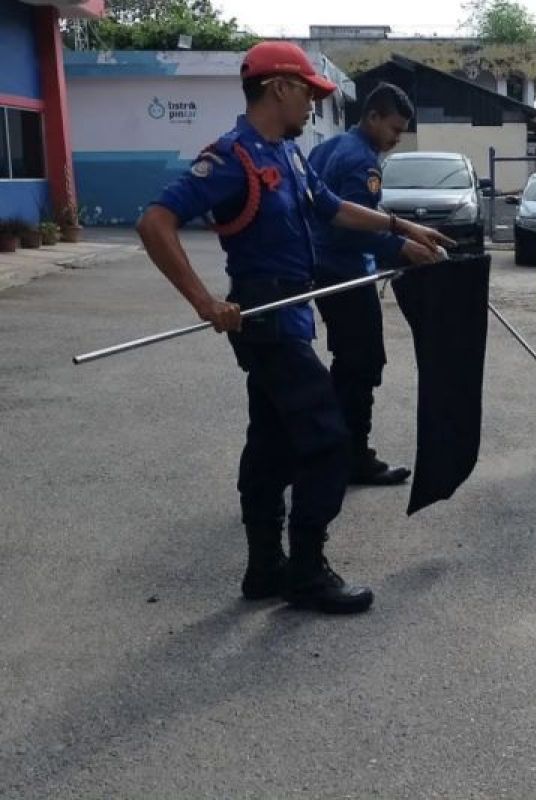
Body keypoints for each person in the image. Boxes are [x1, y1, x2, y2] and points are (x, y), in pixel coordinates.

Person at [136, 42, 453, 615]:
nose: (313, 102)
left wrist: (400, 227)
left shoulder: (289, 155)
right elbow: (155, 221)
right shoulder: (232, 157)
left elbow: (329, 206)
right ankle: (306, 572)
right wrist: (204, 301)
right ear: (278, 86)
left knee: (271, 441)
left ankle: (264, 568)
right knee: (327, 440)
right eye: (308, 91)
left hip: (292, 313)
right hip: (264, 317)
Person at [308, 82, 417, 487]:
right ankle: (352, 457)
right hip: (345, 273)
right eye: (394, 129)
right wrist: (401, 248)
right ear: (372, 117)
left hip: (323, 267)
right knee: (362, 365)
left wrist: (403, 233)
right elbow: (353, 231)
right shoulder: (361, 162)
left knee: (348, 363)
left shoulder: (331, 147)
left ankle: (335, 449)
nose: (396, 139)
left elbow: (361, 212)